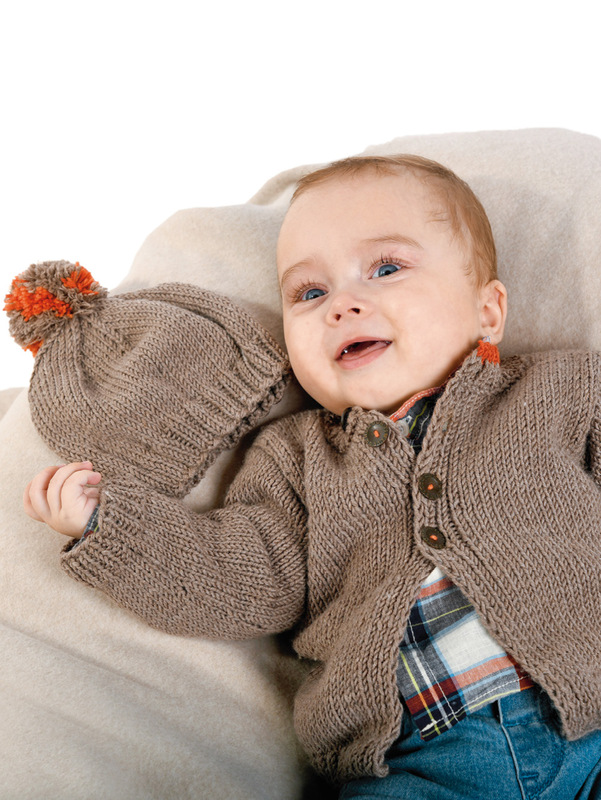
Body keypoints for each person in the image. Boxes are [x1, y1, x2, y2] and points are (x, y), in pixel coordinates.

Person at [22, 155, 601, 798]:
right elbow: (236, 573)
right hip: (420, 764)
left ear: (487, 310)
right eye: (310, 293)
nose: (343, 305)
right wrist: (111, 525)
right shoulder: (296, 459)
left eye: (387, 269)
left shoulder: (562, 392)